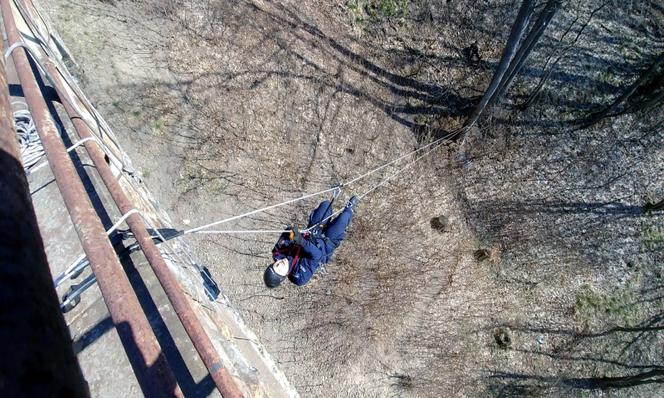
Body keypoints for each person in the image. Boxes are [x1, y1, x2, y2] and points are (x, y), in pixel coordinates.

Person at [263, 196, 359, 288]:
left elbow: (287, 231)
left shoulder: (278, 253)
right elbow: (317, 255)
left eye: (276, 265)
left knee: (325, 205)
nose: (280, 264)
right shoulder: (299, 277)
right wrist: (301, 241)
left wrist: (293, 234)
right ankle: (349, 208)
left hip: (312, 233)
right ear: (283, 277)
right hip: (325, 245)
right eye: (279, 270)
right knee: (344, 218)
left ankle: (335, 199)